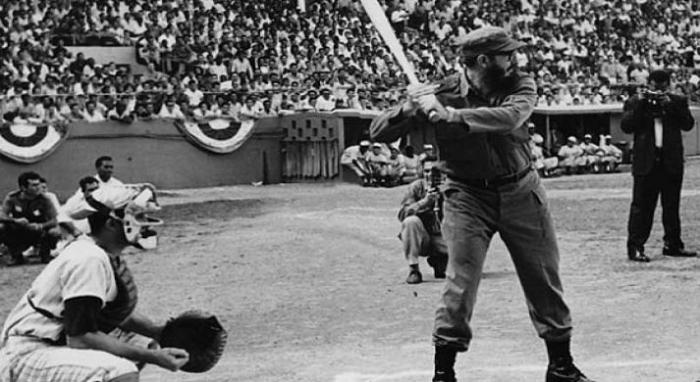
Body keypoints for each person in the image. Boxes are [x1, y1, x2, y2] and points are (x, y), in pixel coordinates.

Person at [370, 26, 593, 382]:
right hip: (466, 196)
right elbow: (378, 132)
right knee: (460, 281)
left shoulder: (521, 84)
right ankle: (444, 373)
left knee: (543, 276)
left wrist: (451, 116)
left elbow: (509, 118)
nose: (515, 59)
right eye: (507, 54)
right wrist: (408, 107)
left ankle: (561, 366)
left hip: (521, 191)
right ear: (485, 61)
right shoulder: (440, 90)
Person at [0, 184, 189, 381]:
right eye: (138, 217)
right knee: (119, 372)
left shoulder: (100, 252)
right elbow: (80, 337)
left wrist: (157, 332)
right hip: (27, 352)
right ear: (111, 223)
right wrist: (154, 358)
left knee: (141, 342)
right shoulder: (89, 258)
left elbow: (106, 313)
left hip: (52, 341)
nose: (145, 223)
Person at [621, 70, 697, 262]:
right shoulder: (636, 101)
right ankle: (636, 247)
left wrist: (669, 106)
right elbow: (627, 126)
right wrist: (642, 104)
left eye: (663, 87)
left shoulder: (677, 101)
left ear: (668, 85)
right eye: (655, 87)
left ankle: (673, 244)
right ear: (650, 84)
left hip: (670, 160)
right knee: (641, 207)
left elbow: (688, 124)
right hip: (646, 161)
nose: (659, 91)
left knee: (671, 206)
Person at [398, 159, 448, 284]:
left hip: (445, 238)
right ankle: (414, 269)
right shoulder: (416, 187)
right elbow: (402, 214)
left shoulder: (451, 187)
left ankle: (441, 260)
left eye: (435, 172)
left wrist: (446, 197)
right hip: (423, 237)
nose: (430, 175)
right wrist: (424, 202)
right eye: (426, 171)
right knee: (410, 222)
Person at [0, 172, 60, 265]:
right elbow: (2, 215)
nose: (39, 187)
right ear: (23, 188)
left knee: (54, 232)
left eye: (39, 184)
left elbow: (54, 220)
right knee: (2, 227)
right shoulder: (12, 198)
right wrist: (15, 220)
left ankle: (45, 254)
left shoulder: (45, 199)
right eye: (34, 185)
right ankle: (16, 256)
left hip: (38, 231)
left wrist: (40, 225)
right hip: (19, 230)